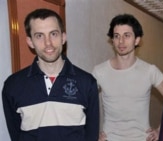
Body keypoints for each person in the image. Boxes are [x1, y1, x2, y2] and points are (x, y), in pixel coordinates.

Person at [2, 8, 99, 141]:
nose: (48, 43)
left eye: (53, 34)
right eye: (39, 36)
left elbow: (91, 135)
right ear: (30, 42)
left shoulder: (87, 82)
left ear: (63, 37)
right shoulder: (13, 86)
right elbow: (16, 135)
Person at [92, 13, 163, 141]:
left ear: (137, 40)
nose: (121, 41)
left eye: (127, 36)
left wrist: (161, 129)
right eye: (116, 36)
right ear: (112, 40)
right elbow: (82, 103)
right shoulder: (99, 71)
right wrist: (91, 133)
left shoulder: (149, 71)